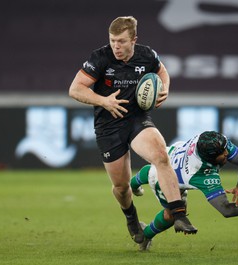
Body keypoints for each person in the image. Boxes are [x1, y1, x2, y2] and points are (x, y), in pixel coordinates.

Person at [68, 16, 197, 244]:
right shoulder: (101, 58)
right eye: (112, 40)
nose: (115, 46)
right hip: (108, 126)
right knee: (121, 186)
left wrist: (164, 88)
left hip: (137, 119)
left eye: (121, 41)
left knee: (160, 155)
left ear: (134, 40)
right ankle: (131, 218)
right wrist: (104, 101)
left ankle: (179, 214)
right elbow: (75, 89)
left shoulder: (147, 55)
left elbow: (162, 72)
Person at [130, 131, 238, 251]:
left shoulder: (210, 140)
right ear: (210, 157)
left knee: (155, 167)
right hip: (165, 181)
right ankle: (144, 236)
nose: (227, 153)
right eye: (222, 152)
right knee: (171, 214)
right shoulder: (201, 173)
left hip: (173, 153)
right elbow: (226, 210)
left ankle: (131, 185)